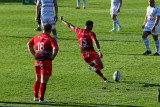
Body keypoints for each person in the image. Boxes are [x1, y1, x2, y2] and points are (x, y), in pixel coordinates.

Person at [60, 16, 108, 83]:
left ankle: (104, 79)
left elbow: (70, 25)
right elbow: (95, 40)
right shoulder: (90, 33)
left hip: (83, 54)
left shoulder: (78, 30)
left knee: (94, 67)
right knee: (100, 66)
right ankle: (96, 68)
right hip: (90, 52)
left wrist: (63, 21)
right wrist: (99, 50)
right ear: (90, 26)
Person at [27, 23, 59, 103]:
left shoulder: (36, 37)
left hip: (37, 60)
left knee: (37, 79)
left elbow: (29, 44)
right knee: (43, 81)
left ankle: (35, 96)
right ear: (50, 30)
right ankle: (41, 99)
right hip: (46, 61)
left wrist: (34, 53)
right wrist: (53, 57)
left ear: (43, 29)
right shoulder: (50, 39)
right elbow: (55, 48)